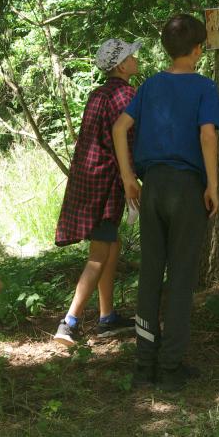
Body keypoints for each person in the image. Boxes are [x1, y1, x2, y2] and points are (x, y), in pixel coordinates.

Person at [112, 14, 219, 392]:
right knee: (179, 278)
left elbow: (119, 127)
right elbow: (207, 136)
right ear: (198, 50)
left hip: (153, 186)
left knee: (149, 274)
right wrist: (212, 184)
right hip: (187, 188)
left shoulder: (150, 86)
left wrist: (129, 178)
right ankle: (171, 367)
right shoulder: (205, 87)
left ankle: (144, 366)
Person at [53, 39, 141, 346]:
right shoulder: (126, 95)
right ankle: (70, 321)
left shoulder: (98, 94)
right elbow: (128, 142)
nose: (136, 59)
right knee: (99, 253)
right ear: (120, 65)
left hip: (88, 183)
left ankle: (107, 318)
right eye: (131, 56)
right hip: (106, 186)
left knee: (111, 245)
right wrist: (133, 176)